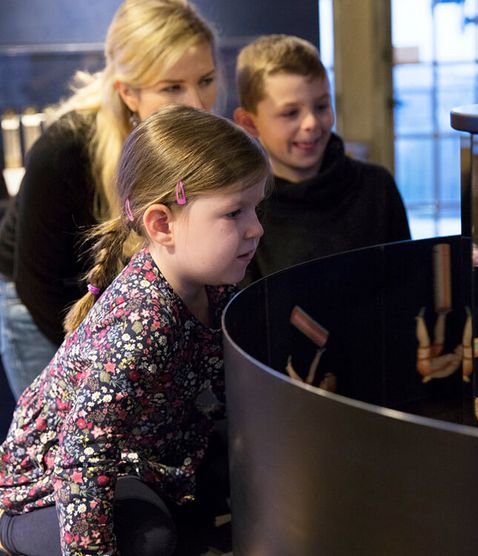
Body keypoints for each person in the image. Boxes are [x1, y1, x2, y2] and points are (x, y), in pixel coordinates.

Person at [0, 104, 270, 556]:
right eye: (234, 213)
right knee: (148, 539)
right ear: (162, 224)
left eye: (256, 208)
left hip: (142, 461)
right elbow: (81, 459)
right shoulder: (142, 323)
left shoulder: (213, 287)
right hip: (45, 492)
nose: (256, 228)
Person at [0, 0, 220, 398]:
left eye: (206, 80)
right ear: (128, 93)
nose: (198, 103)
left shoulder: (188, 140)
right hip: (41, 303)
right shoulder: (63, 149)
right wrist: (98, 361)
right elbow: (38, 288)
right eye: (172, 87)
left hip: (115, 305)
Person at [233, 34, 411, 285]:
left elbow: (407, 283)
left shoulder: (377, 186)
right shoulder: (242, 207)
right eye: (290, 113)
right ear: (249, 122)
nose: (311, 123)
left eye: (321, 106)